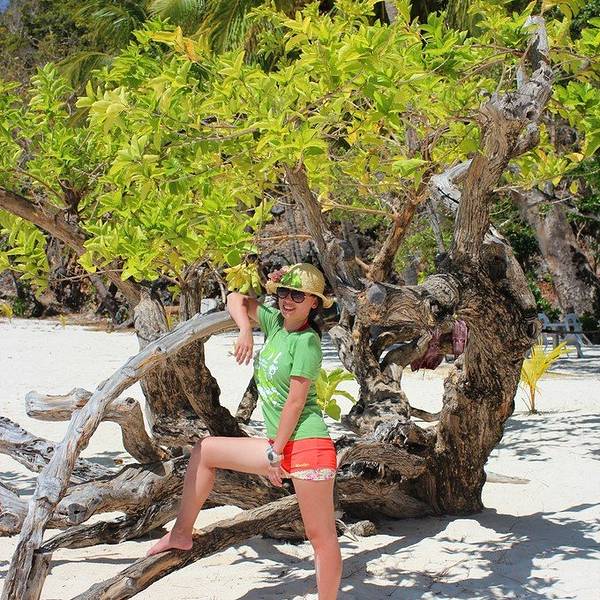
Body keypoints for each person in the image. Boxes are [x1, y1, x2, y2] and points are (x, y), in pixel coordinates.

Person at [146, 263, 342, 600]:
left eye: (298, 295)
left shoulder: (307, 341)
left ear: (314, 302)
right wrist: (245, 330)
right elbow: (236, 298)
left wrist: (275, 454)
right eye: (284, 292)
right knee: (205, 450)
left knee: (320, 536)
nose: (288, 300)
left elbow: (296, 402)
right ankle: (181, 534)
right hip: (279, 443)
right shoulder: (275, 323)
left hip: (308, 446)